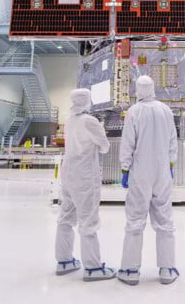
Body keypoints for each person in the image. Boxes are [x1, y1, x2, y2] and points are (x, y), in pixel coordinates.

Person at [117, 75, 179, 286]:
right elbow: (173, 140)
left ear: (138, 90)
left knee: (135, 220)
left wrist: (125, 168)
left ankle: (130, 270)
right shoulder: (165, 110)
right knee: (164, 220)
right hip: (162, 172)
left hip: (140, 172)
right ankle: (167, 269)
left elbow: (128, 142)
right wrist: (171, 165)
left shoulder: (134, 112)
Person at [54, 88, 116, 282]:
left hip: (68, 173)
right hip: (84, 175)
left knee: (65, 217)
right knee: (88, 220)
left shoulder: (70, 120)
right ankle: (93, 267)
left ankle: (64, 261)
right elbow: (105, 147)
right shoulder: (90, 121)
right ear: (87, 101)